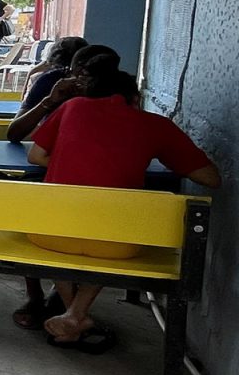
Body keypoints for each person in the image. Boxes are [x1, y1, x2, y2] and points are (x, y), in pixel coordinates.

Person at [26, 54, 221, 350]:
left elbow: (36, 156)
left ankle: (73, 315)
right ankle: (76, 314)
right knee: (114, 229)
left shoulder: (72, 107)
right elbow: (210, 178)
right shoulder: (155, 125)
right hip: (118, 244)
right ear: (134, 97)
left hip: (50, 236)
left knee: (59, 222)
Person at [4, 42, 106, 328]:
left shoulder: (117, 93)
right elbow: (15, 133)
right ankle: (41, 297)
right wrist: (49, 100)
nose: (83, 82)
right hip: (48, 171)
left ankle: (67, 305)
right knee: (32, 207)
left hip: (91, 184)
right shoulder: (51, 83)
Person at [5, 37, 89, 143]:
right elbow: (13, 134)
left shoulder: (100, 90)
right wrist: (49, 101)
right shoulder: (50, 80)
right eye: (68, 71)